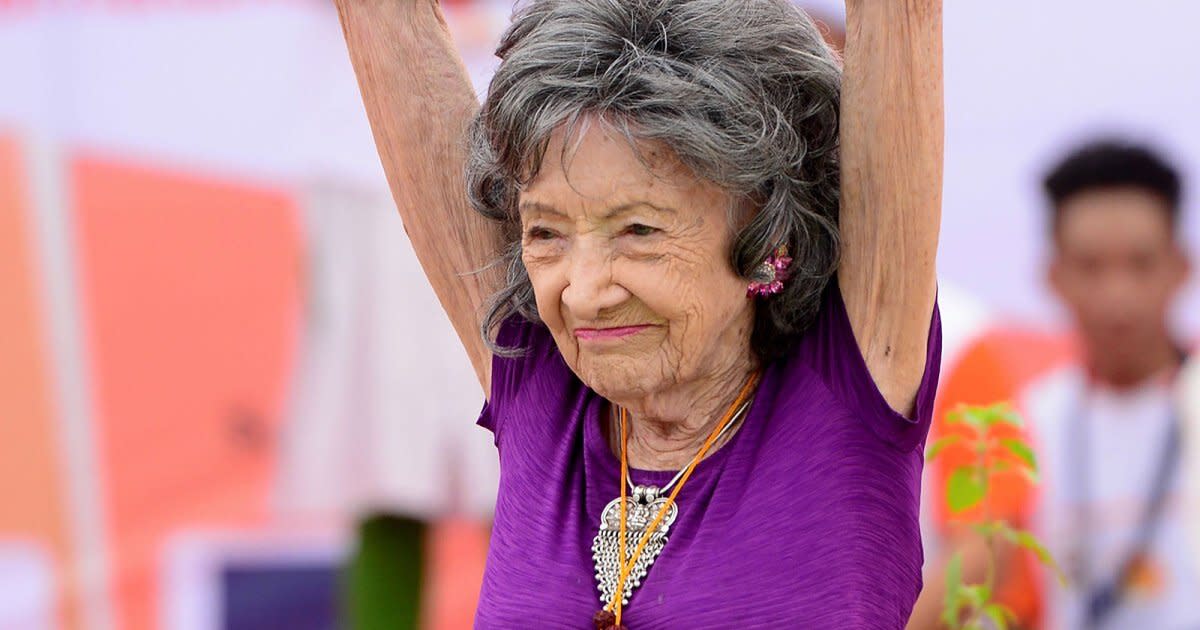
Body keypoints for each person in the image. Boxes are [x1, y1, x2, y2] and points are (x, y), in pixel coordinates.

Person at [335, 0, 943, 627]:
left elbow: (900, 19)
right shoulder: (538, 373)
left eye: (638, 231)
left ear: (766, 236)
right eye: (546, 233)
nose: (584, 292)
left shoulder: (843, 388)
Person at [911, 140, 1199, 629]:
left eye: (1140, 263)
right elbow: (981, 563)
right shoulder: (1024, 414)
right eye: (1091, 266)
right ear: (1053, 275)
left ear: (1181, 268)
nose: (1117, 295)